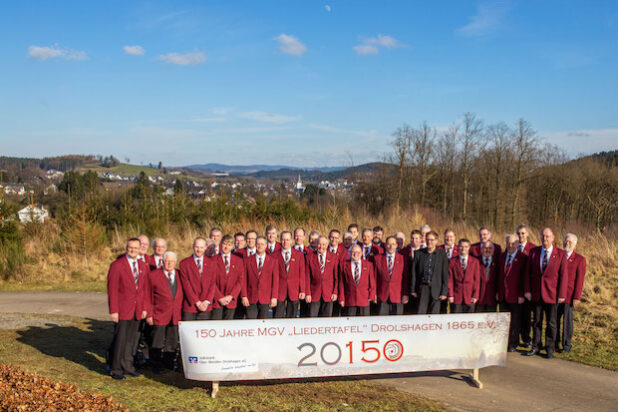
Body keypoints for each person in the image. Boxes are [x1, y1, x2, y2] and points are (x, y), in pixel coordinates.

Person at [107, 237, 148, 380]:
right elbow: (112, 289)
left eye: (136, 248)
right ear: (126, 248)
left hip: (137, 310)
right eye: (131, 247)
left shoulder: (142, 265)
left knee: (131, 340)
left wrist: (144, 308)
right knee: (120, 340)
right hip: (123, 309)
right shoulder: (117, 265)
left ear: (139, 249)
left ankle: (128, 366)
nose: (133, 250)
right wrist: (114, 310)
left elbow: (144, 289)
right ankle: (116, 369)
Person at [524, 228, 568, 358]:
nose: (545, 239)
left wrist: (562, 294)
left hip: (552, 294)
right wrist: (527, 290)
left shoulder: (560, 254)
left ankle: (550, 348)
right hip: (536, 294)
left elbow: (563, 276)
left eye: (548, 236)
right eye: (543, 236)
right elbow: (528, 273)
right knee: (536, 321)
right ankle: (536, 346)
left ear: (553, 237)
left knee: (552, 323)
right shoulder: (534, 252)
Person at [144, 251, 183, 374]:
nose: (169, 263)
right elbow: (147, 296)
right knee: (157, 341)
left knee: (172, 341)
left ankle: (168, 364)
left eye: (171, 261)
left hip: (175, 314)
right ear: (162, 261)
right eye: (167, 261)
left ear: (175, 262)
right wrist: (149, 315)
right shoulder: (154, 275)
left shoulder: (180, 274)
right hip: (159, 314)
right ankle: (156, 364)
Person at [497, 233, 528, 351]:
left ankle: (513, 343)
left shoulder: (523, 258)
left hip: (516, 295)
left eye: (513, 243)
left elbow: (524, 278)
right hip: (503, 294)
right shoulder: (501, 256)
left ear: (517, 244)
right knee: (503, 321)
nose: (510, 245)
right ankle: (503, 342)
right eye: (508, 243)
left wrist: (521, 294)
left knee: (514, 321)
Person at [556, 233, 586, 353]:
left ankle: (566, 345)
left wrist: (577, 297)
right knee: (554, 320)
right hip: (557, 295)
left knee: (567, 322)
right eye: (565, 241)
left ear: (575, 245)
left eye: (570, 242)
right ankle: (554, 343)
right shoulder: (557, 255)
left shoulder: (580, 259)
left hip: (569, 296)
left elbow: (580, 280)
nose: (567, 243)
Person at [410, 231, 449, 314]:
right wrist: (413, 289)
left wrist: (444, 292)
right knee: (421, 313)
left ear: (436, 241)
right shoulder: (418, 254)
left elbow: (445, 275)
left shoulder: (442, 255)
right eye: (427, 240)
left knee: (434, 315)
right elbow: (414, 273)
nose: (429, 242)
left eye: (431, 240)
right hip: (422, 289)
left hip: (436, 290)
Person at [241, 236, 278, 319]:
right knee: (251, 324)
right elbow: (243, 280)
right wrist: (244, 296)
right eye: (258, 244)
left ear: (266, 246)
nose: (260, 246)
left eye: (262, 244)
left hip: (265, 298)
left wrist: (274, 297)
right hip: (250, 298)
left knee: (262, 324)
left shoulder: (273, 261)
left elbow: (275, 281)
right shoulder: (247, 260)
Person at [179, 237, 214, 320]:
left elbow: (212, 284)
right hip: (190, 306)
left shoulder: (211, 263)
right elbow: (186, 285)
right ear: (193, 247)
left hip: (206, 307)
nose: (199, 250)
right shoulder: (184, 263)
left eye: (201, 247)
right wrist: (197, 302)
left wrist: (206, 301)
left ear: (205, 248)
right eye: (197, 247)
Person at [212, 235, 245, 320]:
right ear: (221, 244)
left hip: (231, 301)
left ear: (232, 246)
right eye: (224, 244)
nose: (226, 247)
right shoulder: (213, 260)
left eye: (229, 244)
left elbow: (240, 280)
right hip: (217, 301)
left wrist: (231, 296)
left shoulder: (238, 260)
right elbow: (210, 281)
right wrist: (219, 297)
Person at [374, 236, 409, 315]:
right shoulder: (378, 259)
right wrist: (374, 294)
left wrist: (405, 294)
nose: (391, 246)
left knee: (397, 323)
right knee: (382, 323)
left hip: (397, 296)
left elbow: (405, 278)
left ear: (396, 245)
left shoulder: (402, 259)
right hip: (382, 295)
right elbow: (374, 278)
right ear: (385, 245)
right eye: (389, 244)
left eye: (393, 244)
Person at [274, 231, 306, 318]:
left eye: (287, 239)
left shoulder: (299, 255)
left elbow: (302, 274)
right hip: (279, 291)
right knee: (277, 317)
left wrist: (302, 290)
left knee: (291, 318)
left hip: (294, 291)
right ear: (280, 240)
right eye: (283, 240)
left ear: (291, 240)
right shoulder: (274, 255)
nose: (285, 242)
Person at [339, 244, 376, 316]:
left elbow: (372, 282)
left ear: (361, 253)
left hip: (364, 300)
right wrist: (341, 298)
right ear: (350, 253)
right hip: (350, 300)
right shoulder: (344, 265)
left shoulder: (368, 265)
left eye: (358, 252)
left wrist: (372, 295)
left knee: (364, 324)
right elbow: (341, 283)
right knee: (350, 324)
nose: (355, 254)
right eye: (353, 252)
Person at [305, 236, 338, 317]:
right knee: (312, 318)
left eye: (323, 244)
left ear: (327, 245)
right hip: (314, 294)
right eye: (319, 244)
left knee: (326, 320)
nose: (321, 246)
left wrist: (335, 292)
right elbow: (307, 277)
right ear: (316, 244)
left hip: (328, 294)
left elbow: (336, 277)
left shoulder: (334, 257)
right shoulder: (309, 257)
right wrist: (308, 293)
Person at [516, 224, 537, 349]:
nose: (520, 236)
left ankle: (526, 338)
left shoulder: (533, 249)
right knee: (516, 315)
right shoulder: (513, 246)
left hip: (527, 288)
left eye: (523, 233)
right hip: (515, 287)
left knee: (527, 316)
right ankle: (515, 338)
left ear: (527, 234)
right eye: (518, 233)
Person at [448, 239, 480, 313]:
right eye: (461, 246)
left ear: (469, 247)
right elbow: (450, 280)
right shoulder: (452, 261)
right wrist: (451, 295)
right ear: (458, 247)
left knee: (469, 320)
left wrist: (475, 295)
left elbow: (477, 280)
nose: (463, 249)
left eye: (466, 247)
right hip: (456, 296)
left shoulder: (475, 261)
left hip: (470, 296)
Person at [476, 241, 498, 312]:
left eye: (490, 248)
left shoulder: (497, 261)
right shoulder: (476, 261)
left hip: (492, 298)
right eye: (485, 248)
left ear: (493, 250)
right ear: (481, 249)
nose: (488, 250)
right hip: (479, 298)